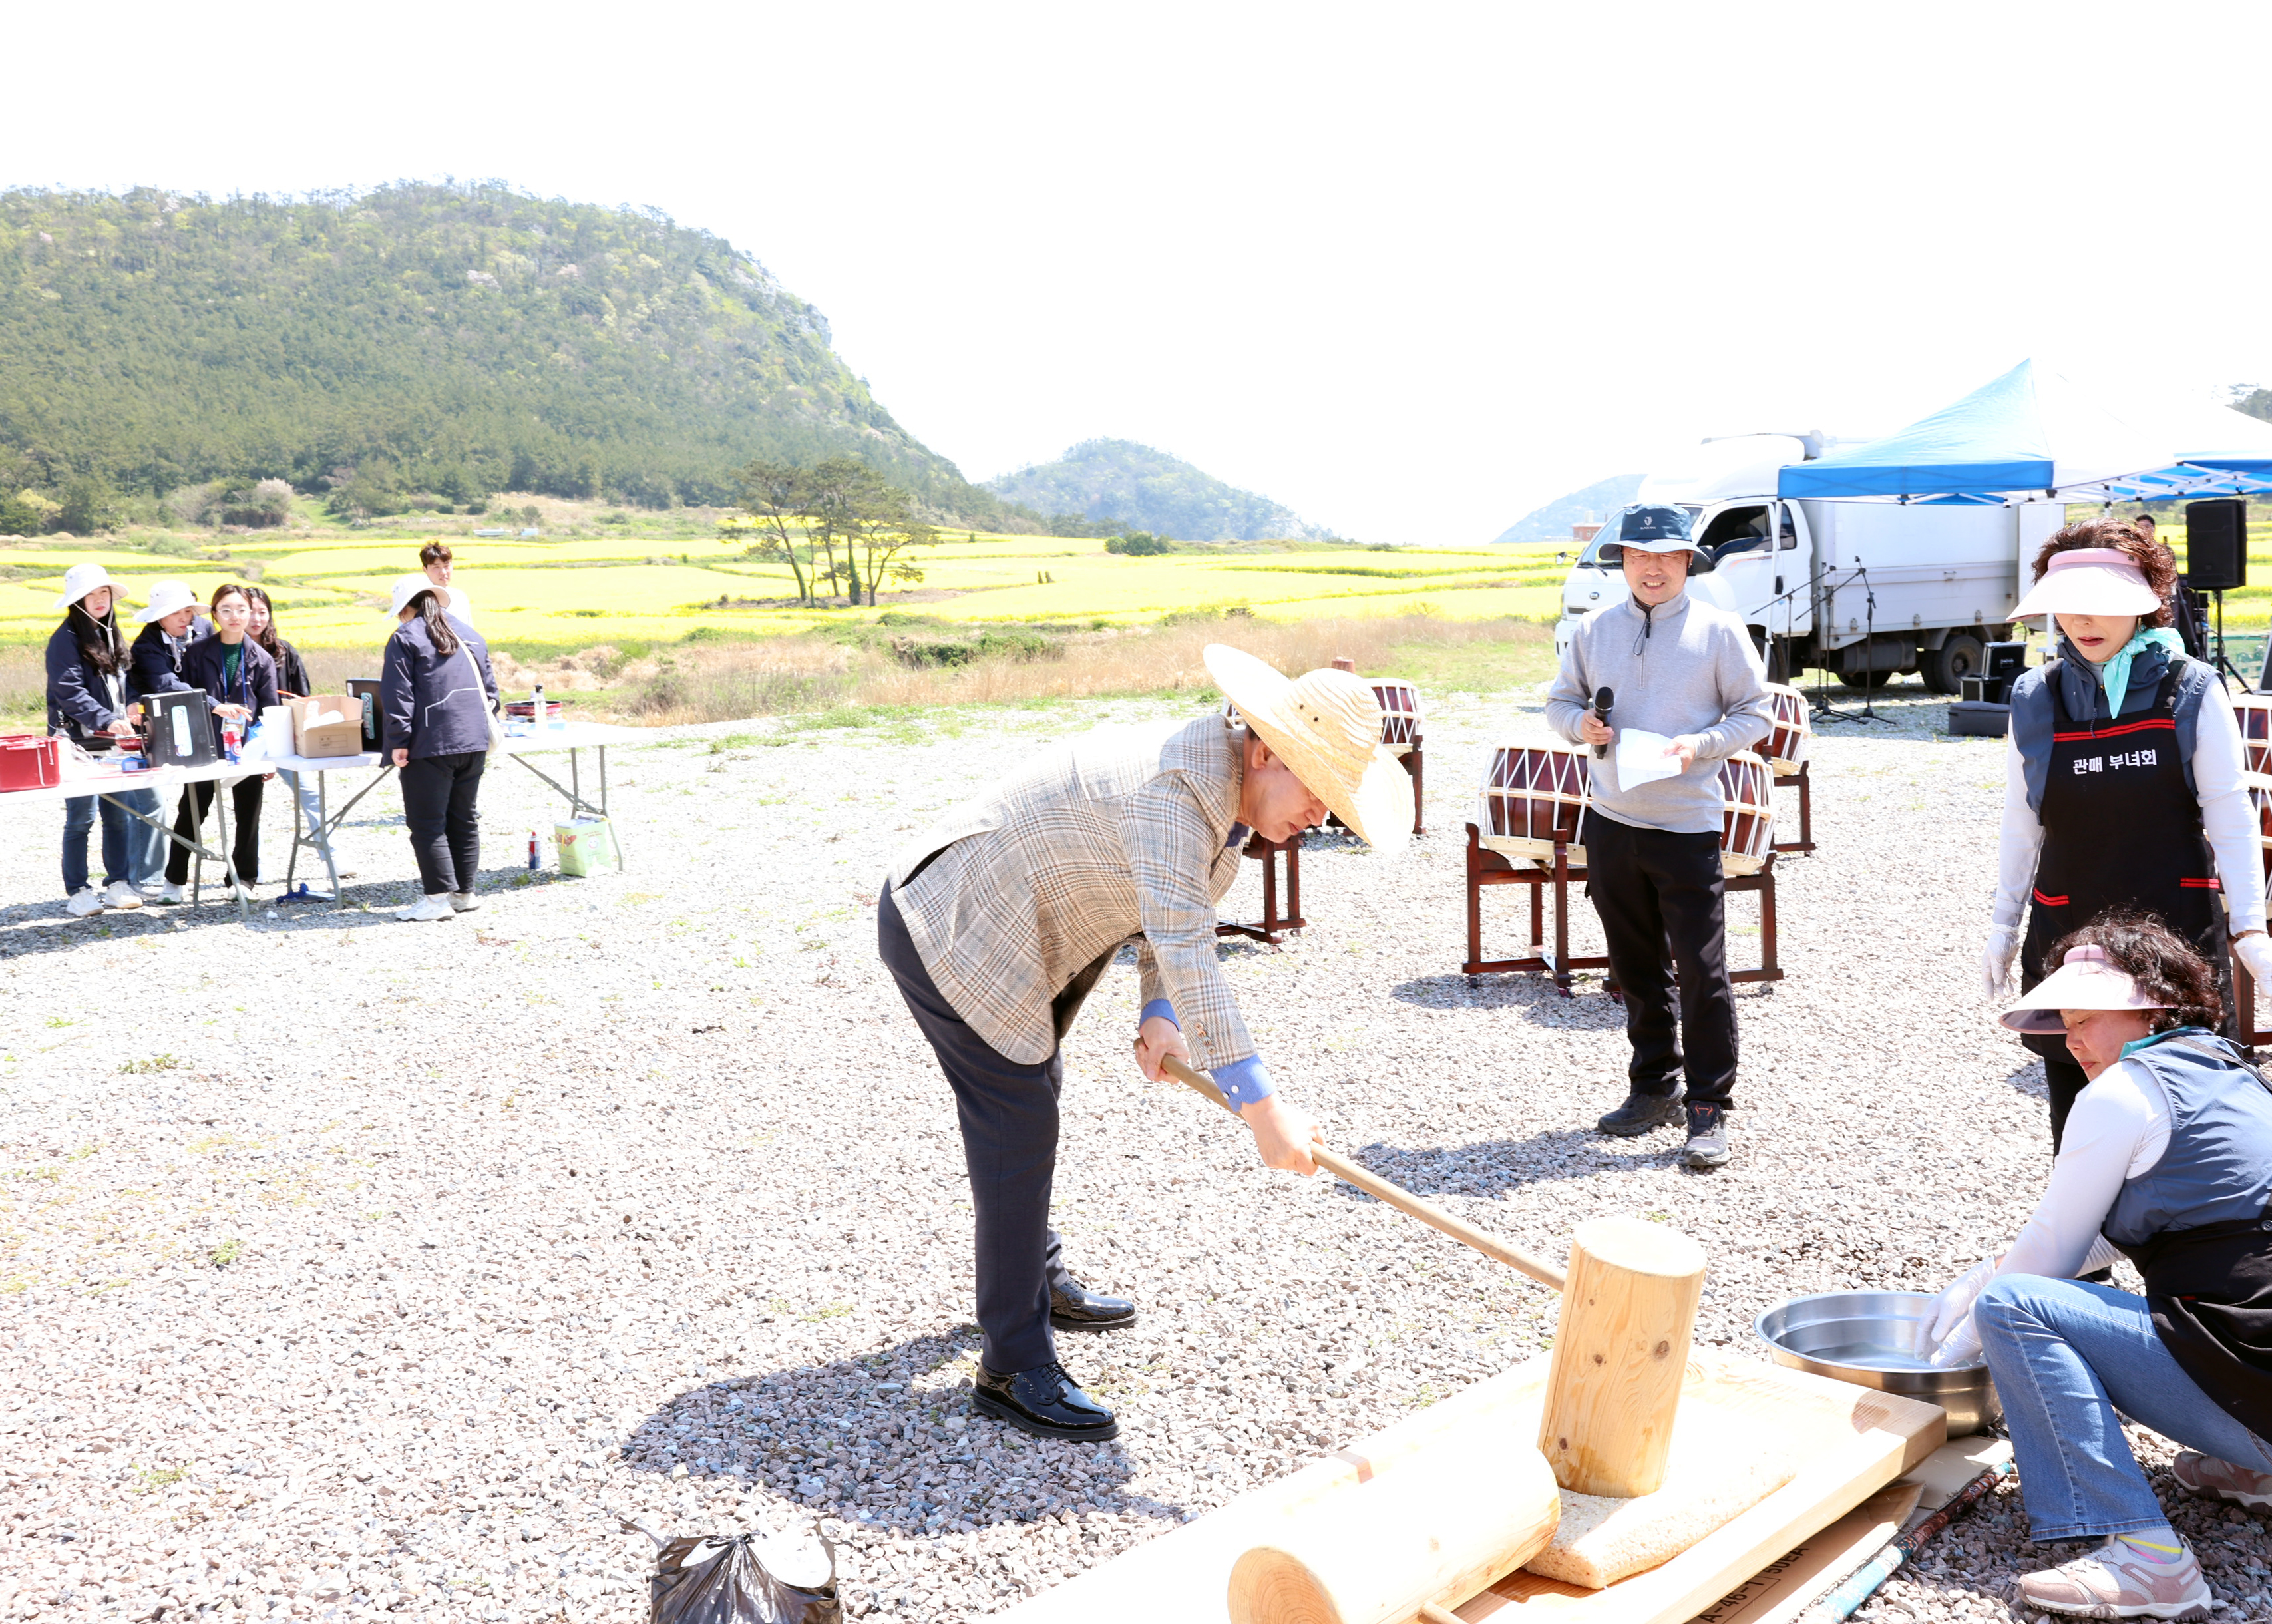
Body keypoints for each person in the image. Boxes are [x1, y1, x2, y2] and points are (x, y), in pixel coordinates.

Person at [878, 644, 1412, 1442]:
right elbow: (1193, 947)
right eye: (1318, 791)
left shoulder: (1226, 792)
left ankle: (1033, 1274)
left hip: (1031, 928)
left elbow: (1176, 920)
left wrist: (1158, 1009)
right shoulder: (1175, 793)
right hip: (956, 926)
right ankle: (1012, 1363)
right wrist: (1261, 1105)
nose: (1321, 818)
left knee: (1029, 1104)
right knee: (1018, 1121)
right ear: (1266, 750)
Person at [1925, 914, 2272, 1619]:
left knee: (2013, 1306)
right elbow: (2141, 1230)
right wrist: (1987, 1264)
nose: (2072, 1036)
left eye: (2088, 1016)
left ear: (2153, 1005)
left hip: (2256, 1386)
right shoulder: (2232, 1071)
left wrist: (1945, 1358)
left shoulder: (2120, 1094)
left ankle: (2151, 1560)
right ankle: (2255, 1469)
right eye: (2066, 1020)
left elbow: (2044, 1263)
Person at [1981, 516, 2272, 1151]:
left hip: (2175, 937)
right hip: (2070, 934)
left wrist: (2250, 926)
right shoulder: (2036, 695)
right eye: (2070, 606)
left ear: (2144, 603)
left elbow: (2229, 811)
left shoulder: (2191, 688)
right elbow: (2022, 818)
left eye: (2104, 604)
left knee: (2186, 1123)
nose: (2084, 621)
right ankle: (2087, 1251)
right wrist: (2004, 925)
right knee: (2079, 1122)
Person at [1544, 502, 1774, 1170]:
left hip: (1685, 825)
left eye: (1665, 556)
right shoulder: (1594, 630)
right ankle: (1653, 1087)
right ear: (1621, 564)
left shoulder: (1720, 631)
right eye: (1638, 556)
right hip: (1612, 821)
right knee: (1634, 967)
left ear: (1686, 562)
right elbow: (1559, 703)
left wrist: (1702, 743)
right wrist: (1577, 726)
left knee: (1702, 971)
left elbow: (1755, 713)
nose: (1651, 567)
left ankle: (1708, 1107)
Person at [45, 564, 165, 918]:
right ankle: (78, 890)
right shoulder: (64, 640)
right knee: (81, 817)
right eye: (91, 594)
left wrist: (130, 708)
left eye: (105, 593)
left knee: (119, 815)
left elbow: (124, 685)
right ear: (77, 600)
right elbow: (70, 693)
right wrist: (108, 721)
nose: (100, 600)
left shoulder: (112, 634)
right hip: (77, 744)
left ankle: (118, 883)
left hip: (114, 743)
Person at [380, 575, 499, 922]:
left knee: (428, 822)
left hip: (430, 743)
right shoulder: (471, 635)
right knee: (464, 819)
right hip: (474, 740)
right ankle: (463, 894)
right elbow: (492, 694)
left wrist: (398, 741)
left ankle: (435, 900)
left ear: (405, 609)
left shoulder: (405, 636)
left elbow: (398, 695)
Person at [164, 585, 278, 901]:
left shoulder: (262, 659)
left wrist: (267, 755)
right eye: (226, 610)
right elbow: (185, 698)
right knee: (191, 812)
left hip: (247, 749)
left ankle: (242, 880)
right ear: (214, 615)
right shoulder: (198, 653)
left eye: (242, 610)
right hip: (205, 746)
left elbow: (268, 712)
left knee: (248, 814)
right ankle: (174, 880)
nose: (235, 616)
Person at [246, 585, 326, 881]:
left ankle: (330, 853)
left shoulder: (284, 651)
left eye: (262, 612)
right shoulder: (229, 653)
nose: (256, 618)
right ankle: (256, 865)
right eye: (249, 611)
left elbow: (302, 697)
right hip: (247, 742)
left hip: (287, 739)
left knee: (310, 793)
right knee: (250, 804)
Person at [2131, 512, 2209, 663]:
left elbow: (2170, 575)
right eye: (2140, 527)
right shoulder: (2133, 549)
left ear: (2154, 528)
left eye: (2147, 526)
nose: (2144, 529)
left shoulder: (2162, 549)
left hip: (2163, 595)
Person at [420, 542, 471, 622]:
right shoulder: (416, 600)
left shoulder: (460, 597)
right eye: (436, 567)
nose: (443, 572)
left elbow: (468, 631)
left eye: (447, 566)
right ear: (425, 570)